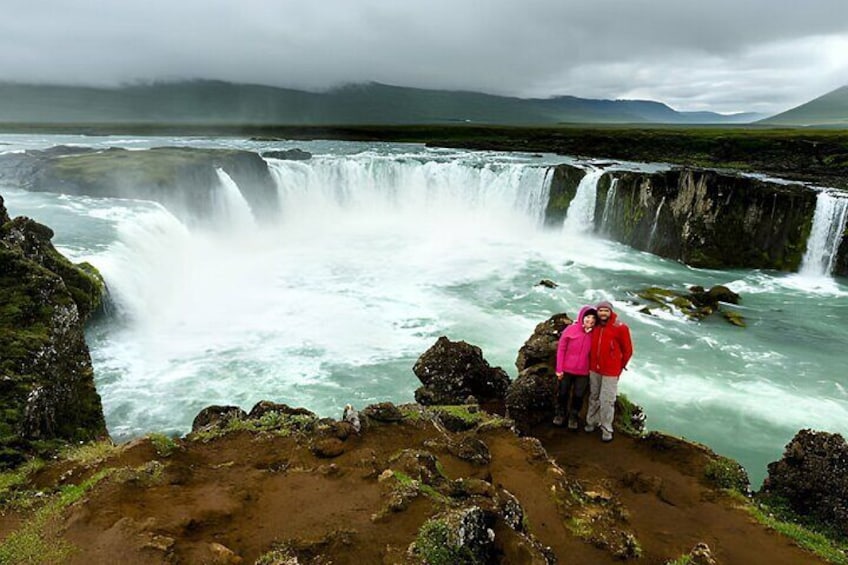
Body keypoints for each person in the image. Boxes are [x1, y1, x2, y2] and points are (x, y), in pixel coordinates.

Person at [585, 300, 633, 442]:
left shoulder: (620, 327)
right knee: (593, 396)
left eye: (606, 310)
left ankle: (606, 428)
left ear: (610, 312)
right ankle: (591, 422)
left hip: (611, 371)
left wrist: (619, 367)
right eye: (600, 310)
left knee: (607, 400)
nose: (603, 313)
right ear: (597, 312)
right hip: (594, 368)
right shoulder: (595, 325)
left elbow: (628, 350)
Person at [554, 306, 597, 430]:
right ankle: (560, 414)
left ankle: (573, 417)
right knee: (563, 393)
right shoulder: (571, 329)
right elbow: (561, 350)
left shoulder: (595, 334)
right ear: (582, 317)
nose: (590, 320)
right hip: (566, 369)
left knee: (578, 395)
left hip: (583, 372)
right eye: (588, 317)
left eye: (593, 318)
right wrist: (559, 369)